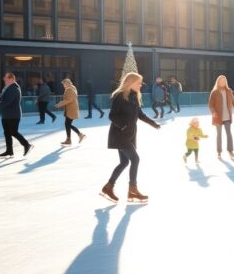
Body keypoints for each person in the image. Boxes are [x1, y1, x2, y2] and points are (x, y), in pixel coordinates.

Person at [100, 72, 160, 204]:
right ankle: (133, 189)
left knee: (124, 162)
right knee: (135, 159)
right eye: (138, 83)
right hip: (120, 134)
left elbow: (140, 114)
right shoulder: (120, 96)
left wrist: (153, 123)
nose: (141, 85)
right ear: (130, 83)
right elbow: (112, 116)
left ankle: (108, 187)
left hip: (130, 135)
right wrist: (123, 126)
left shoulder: (135, 97)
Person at [0, 72, 33, 158]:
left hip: (13, 115)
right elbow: (4, 99)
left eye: (6, 77)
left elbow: (6, 102)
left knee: (13, 132)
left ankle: (26, 145)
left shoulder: (14, 88)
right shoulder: (8, 88)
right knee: (7, 133)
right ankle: (9, 151)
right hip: (6, 115)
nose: (4, 79)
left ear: (11, 79)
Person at [208, 75, 234, 159]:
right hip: (218, 117)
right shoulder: (214, 92)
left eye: (224, 81)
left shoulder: (229, 91)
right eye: (221, 81)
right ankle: (219, 152)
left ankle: (230, 151)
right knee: (219, 135)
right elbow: (210, 105)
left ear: (225, 82)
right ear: (218, 82)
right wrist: (213, 113)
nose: (222, 82)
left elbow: (233, 102)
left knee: (229, 134)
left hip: (227, 116)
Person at [55, 78, 86, 146]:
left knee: (67, 124)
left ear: (66, 83)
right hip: (71, 109)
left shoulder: (69, 89)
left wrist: (59, 104)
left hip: (71, 110)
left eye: (64, 84)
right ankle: (71, 138)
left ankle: (78, 135)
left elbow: (69, 99)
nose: (63, 85)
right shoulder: (72, 87)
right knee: (67, 124)